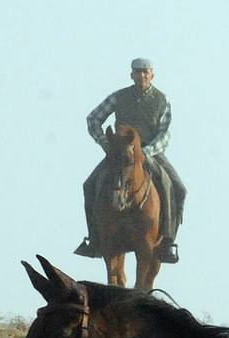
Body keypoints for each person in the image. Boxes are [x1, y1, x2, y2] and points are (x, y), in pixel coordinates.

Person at [75, 58, 186, 264]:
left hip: (150, 152)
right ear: (131, 75)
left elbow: (165, 133)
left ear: (152, 75)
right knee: (89, 185)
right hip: (119, 153)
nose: (142, 76)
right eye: (137, 72)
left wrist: (145, 152)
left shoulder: (162, 100)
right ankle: (94, 239)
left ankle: (167, 241)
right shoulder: (118, 97)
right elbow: (93, 119)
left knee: (177, 187)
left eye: (145, 72)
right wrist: (105, 143)